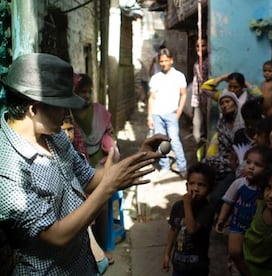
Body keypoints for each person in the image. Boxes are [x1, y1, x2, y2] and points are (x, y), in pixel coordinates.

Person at [0, 53, 166, 274]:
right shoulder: (8, 168)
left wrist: (141, 156)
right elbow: (57, 235)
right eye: (61, 106)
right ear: (34, 109)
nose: (68, 113)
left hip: (83, 263)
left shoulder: (53, 135)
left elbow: (90, 179)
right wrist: (109, 188)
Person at [71, 73, 119, 262]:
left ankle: (102, 247)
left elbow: (110, 137)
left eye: (89, 92)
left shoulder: (99, 111)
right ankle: (91, 251)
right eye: (83, 91)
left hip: (101, 164)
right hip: (79, 167)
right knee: (83, 211)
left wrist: (108, 163)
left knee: (102, 206)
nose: (87, 95)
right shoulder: (68, 115)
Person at [61, 113, 110, 274]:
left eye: (70, 130)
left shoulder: (71, 150)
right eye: (64, 130)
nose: (68, 135)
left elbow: (89, 176)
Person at [215, 145, 272, 275]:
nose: (251, 167)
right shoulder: (239, 183)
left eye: (257, 164)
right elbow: (228, 202)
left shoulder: (266, 190)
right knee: (234, 251)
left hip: (255, 231)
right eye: (248, 162)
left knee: (250, 254)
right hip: (237, 225)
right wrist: (221, 219)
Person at [162, 162, 216, 276]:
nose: (195, 188)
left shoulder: (207, 209)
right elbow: (173, 230)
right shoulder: (178, 206)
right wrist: (167, 253)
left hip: (197, 268)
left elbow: (191, 229)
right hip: (178, 264)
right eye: (192, 184)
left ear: (210, 189)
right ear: (186, 186)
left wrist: (187, 204)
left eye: (201, 185)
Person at [147, 48, 187, 178]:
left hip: (171, 114)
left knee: (174, 140)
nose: (163, 63)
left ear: (171, 60)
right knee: (161, 142)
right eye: (161, 61)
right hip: (157, 114)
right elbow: (152, 98)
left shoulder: (179, 76)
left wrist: (179, 112)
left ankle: (182, 167)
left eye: (166, 60)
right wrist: (149, 116)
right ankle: (165, 166)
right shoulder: (156, 78)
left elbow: (183, 94)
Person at [203, 91, 245, 210]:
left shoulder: (243, 123)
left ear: (235, 104)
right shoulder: (222, 123)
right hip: (226, 159)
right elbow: (222, 148)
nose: (225, 105)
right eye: (221, 103)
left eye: (228, 102)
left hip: (242, 161)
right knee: (206, 162)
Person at [191, 36, 210, 145]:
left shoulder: (209, 62)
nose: (200, 48)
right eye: (197, 46)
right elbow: (196, 82)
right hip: (198, 99)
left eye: (203, 45)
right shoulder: (197, 63)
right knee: (197, 130)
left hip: (207, 99)